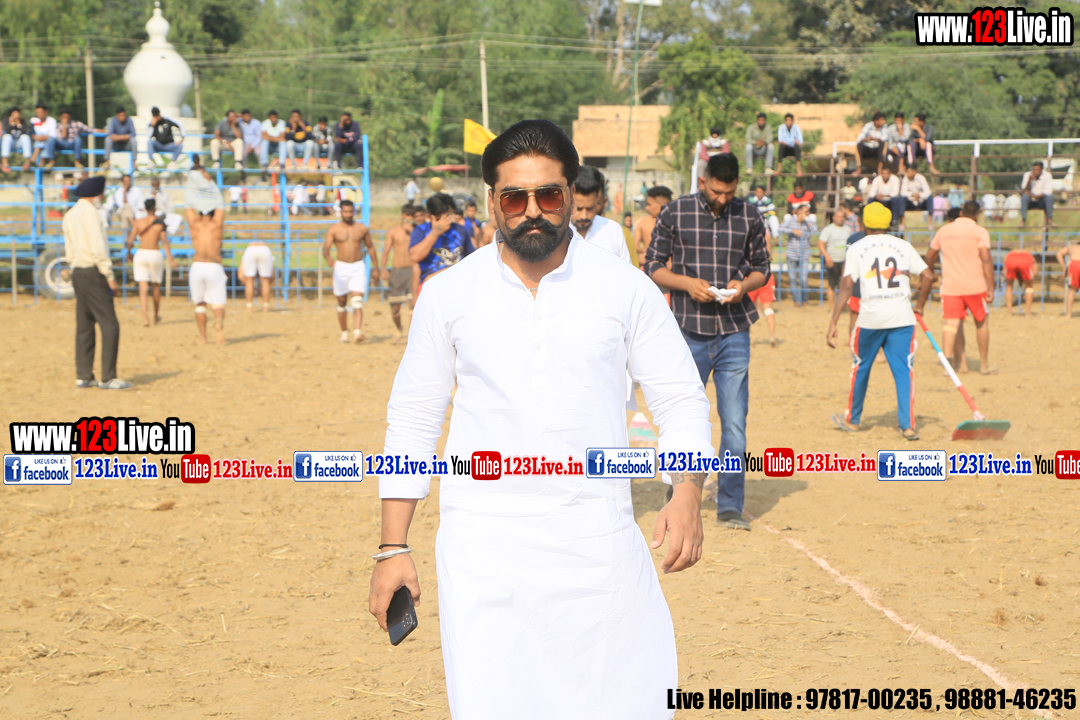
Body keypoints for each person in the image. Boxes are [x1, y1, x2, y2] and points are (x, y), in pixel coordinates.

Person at [370, 118, 712, 720]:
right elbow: (414, 423)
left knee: (625, 700)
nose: (533, 211)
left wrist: (685, 492)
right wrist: (392, 547)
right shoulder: (449, 294)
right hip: (483, 552)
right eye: (515, 198)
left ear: (571, 194)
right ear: (492, 202)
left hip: (598, 543)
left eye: (549, 195)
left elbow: (680, 399)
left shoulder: (625, 289)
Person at [646, 151, 770, 530]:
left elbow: (762, 269)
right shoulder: (675, 213)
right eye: (716, 191)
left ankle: (730, 504)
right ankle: (678, 493)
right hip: (687, 331)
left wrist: (742, 286)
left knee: (734, 423)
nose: (722, 198)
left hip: (735, 331)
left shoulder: (749, 215)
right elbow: (653, 267)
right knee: (682, 416)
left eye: (729, 192)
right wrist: (687, 285)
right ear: (703, 182)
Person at [828, 202, 933, 440]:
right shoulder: (903, 245)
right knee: (904, 372)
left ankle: (853, 420)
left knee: (860, 368)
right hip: (902, 318)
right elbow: (928, 276)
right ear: (888, 224)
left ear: (864, 225)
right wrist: (919, 305)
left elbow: (846, 285)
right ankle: (908, 426)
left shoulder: (856, 247)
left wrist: (833, 322)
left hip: (870, 319)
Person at [63, 175, 132, 389]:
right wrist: (109, 276)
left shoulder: (70, 214)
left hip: (78, 271)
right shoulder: (91, 213)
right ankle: (108, 377)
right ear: (96, 194)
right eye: (102, 193)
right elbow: (98, 247)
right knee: (110, 324)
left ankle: (84, 375)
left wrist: (73, 267)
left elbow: (69, 249)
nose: (102, 197)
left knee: (84, 324)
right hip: (94, 272)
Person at [925, 200, 996, 374]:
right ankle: (984, 365)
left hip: (951, 287)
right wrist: (991, 287)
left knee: (951, 325)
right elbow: (986, 260)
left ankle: (954, 365)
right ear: (977, 215)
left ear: (962, 212)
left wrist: (930, 274)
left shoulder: (944, 231)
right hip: (976, 286)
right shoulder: (980, 232)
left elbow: (930, 256)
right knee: (981, 323)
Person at [185, 161, 228, 344]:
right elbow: (220, 203)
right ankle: (218, 325)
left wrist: (193, 180)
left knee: (200, 305)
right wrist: (208, 181)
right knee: (217, 303)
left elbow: (188, 203)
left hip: (197, 266)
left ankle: (203, 338)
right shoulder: (216, 224)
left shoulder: (194, 224)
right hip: (214, 265)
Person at [324, 199, 378, 343]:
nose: (348, 214)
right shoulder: (334, 229)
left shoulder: (361, 228)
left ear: (353, 211)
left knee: (357, 301)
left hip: (357, 266)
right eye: (345, 211)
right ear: (341, 212)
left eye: (350, 211)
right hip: (341, 267)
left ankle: (357, 332)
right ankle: (344, 333)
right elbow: (326, 248)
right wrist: (328, 258)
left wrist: (376, 268)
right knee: (342, 301)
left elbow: (370, 247)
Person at [125, 198, 177, 326]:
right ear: (155, 207)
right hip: (155, 253)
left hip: (141, 253)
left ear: (145, 208)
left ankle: (145, 319)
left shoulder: (138, 222)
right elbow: (164, 242)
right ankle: (155, 316)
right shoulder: (160, 222)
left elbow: (130, 241)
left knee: (143, 288)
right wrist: (170, 258)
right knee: (155, 287)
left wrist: (129, 253)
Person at [568, 166, 634, 263]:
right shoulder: (557, 232)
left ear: (597, 200)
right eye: (578, 209)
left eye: (590, 208)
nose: (584, 216)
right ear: (568, 201)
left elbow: (627, 270)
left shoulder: (613, 230)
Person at [409, 193, 471, 293]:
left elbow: (470, 260)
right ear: (429, 216)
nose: (443, 222)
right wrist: (435, 232)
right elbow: (415, 257)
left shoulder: (460, 230)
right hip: (431, 287)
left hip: (457, 285)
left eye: (446, 217)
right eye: (438, 219)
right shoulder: (421, 230)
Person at [380, 203, 417, 339]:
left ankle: (412, 335)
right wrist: (383, 268)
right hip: (397, 272)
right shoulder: (393, 231)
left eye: (411, 216)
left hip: (413, 271)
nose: (409, 218)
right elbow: (386, 251)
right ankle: (398, 328)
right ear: (402, 215)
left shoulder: (418, 231)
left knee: (413, 305)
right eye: (407, 215)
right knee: (395, 308)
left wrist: (412, 231)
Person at [778, 204, 817, 307]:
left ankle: (804, 300)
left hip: (804, 255)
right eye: (806, 211)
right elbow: (780, 229)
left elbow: (815, 231)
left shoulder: (809, 222)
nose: (808, 213)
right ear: (799, 211)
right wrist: (792, 231)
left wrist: (807, 221)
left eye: (808, 212)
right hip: (792, 255)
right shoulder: (790, 221)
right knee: (792, 279)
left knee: (804, 279)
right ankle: (796, 300)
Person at [746, 229, 778, 347]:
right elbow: (769, 256)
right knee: (768, 309)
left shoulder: (748, 232)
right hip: (766, 275)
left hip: (751, 276)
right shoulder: (766, 234)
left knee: (745, 311)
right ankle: (772, 337)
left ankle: (746, 338)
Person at [818, 207, 851, 306]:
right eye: (838, 216)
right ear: (834, 217)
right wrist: (827, 256)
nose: (840, 218)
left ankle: (842, 306)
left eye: (842, 216)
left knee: (845, 285)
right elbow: (821, 243)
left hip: (845, 261)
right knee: (832, 285)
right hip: (833, 261)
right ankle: (832, 308)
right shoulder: (828, 229)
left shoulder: (847, 229)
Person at [635, 185, 673, 263]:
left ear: (661, 205)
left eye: (649, 205)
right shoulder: (677, 223)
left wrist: (645, 255)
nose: (647, 208)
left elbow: (636, 246)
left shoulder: (672, 225)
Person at [239, 241, 274, 312]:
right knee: (265, 281)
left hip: (251, 249)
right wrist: (262, 288)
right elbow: (273, 275)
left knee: (249, 281)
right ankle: (266, 307)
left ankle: (249, 307)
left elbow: (240, 276)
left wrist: (251, 288)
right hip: (264, 250)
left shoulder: (250, 248)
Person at [894, 165, 932, 231]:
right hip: (910, 201)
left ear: (914, 172)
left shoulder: (921, 178)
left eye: (908, 172)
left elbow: (928, 192)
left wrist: (919, 195)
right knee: (901, 198)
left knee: (930, 197)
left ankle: (930, 223)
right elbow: (903, 192)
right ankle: (903, 223)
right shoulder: (905, 179)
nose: (907, 174)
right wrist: (912, 195)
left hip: (921, 201)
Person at [1003, 245, 1035, 316]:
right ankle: (1027, 313)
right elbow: (1034, 273)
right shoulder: (1029, 255)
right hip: (1025, 258)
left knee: (1009, 286)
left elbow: (1003, 272)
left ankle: (1009, 312)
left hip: (1010, 257)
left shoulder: (1009, 254)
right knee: (1029, 286)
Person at [1020, 160, 1054, 228]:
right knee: (1024, 197)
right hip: (1030, 200)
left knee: (1049, 197)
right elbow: (1024, 190)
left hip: (1042, 200)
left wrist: (1034, 196)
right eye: (1034, 169)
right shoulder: (1027, 175)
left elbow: (1047, 192)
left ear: (1041, 170)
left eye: (1037, 170)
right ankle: (1023, 221)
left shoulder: (1047, 176)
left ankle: (1049, 220)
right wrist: (1029, 181)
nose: (1035, 171)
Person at [1, 107, 33, 172]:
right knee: (6, 137)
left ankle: (27, 162)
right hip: (10, 143)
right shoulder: (6, 121)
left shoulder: (23, 121)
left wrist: (18, 123)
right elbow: (7, 130)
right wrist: (11, 123)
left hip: (20, 143)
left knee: (25, 137)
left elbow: (24, 131)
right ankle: (5, 162)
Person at [1055, 239, 1080, 319]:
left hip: (1074, 265)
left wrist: (1064, 267)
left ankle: (1068, 314)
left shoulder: (1071, 246)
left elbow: (1059, 254)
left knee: (1072, 290)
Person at [259, 110, 287, 176]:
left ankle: (282, 164)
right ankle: (264, 164)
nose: (274, 119)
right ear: (269, 118)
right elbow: (263, 137)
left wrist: (270, 137)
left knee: (283, 143)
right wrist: (277, 138)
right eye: (272, 118)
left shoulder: (282, 123)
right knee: (264, 142)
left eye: (275, 117)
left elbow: (283, 137)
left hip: (278, 147)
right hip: (269, 147)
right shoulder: (264, 123)